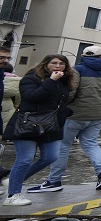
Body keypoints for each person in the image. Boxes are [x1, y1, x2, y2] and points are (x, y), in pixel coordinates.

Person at [31, 44, 101, 193]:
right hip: (98, 114)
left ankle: (54, 180)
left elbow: (72, 91)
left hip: (74, 114)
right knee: (91, 144)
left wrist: (64, 104)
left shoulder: (77, 69)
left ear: (83, 56)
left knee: (63, 146)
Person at [2, 54, 75, 206]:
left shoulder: (64, 82)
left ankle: (13, 180)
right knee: (24, 159)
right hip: (28, 125)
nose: (57, 66)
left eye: (61, 63)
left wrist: (66, 112)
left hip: (51, 126)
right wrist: (50, 81)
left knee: (51, 156)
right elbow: (31, 97)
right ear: (45, 64)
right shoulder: (31, 78)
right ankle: (13, 195)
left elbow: (58, 102)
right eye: (54, 63)